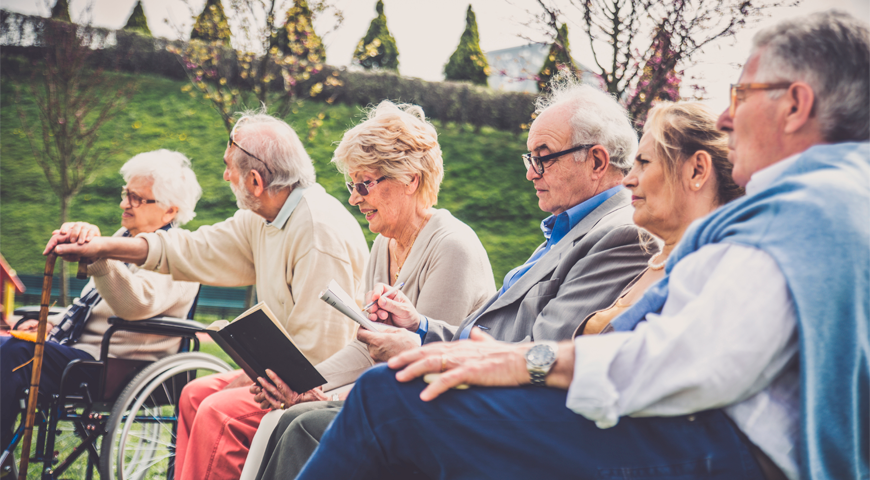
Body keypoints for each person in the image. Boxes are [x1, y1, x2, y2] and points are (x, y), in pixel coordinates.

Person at [294, 10, 870, 480]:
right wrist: (435, 337)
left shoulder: (805, 208)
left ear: (796, 104)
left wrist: (525, 359)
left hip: (720, 447)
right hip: (702, 431)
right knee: (392, 403)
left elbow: (692, 362)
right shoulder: (824, 201)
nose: (726, 113)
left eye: (743, 91)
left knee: (385, 403)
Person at [251, 75, 655, 479]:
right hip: (478, 388)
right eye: (529, 158)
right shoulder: (564, 229)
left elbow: (538, 356)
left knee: (309, 422)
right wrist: (421, 329)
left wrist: (421, 349)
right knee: (295, 419)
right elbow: (487, 336)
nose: (531, 173)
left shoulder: (616, 234)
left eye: (543, 157)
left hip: (508, 417)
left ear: (598, 162)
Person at [47, 112, 369, 480]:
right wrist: (104, 247)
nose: (224, 176)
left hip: (319, 386)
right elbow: (194, 248)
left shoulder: (317, 232)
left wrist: (253, 377)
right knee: (194, 394)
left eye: (228, 166)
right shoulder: (266, 216)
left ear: (255, 180)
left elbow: (322, 352)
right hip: (279, 370)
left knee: (220, 410)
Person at [230, 100, 497, 478]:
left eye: (364, 184)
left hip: (436, 417)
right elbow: (366, 348)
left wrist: (328, 398)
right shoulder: (383, 243)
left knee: (303, 423)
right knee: (288, 416)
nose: (354, 198)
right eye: (351, 185)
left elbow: (424, 363)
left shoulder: (453, 247)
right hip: (391, 400)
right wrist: (301, 385)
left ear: (410, 180)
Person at [1, 150, 201, 452]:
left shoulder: (178, 255)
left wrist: (100, 257)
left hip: (111, 366)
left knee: (12, 354)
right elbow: (90, 311)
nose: (124, 204)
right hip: (82, 354)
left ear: (169, 211)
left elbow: (135, 305)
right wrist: (48, 323)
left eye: (136, 198)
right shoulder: (123, 240)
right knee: (9, 343)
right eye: (126, 194)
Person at [579, 101, 743, 336]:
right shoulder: (660, 262)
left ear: (696, 170)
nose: (628, 180)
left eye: (644, 162)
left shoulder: (714, 277)